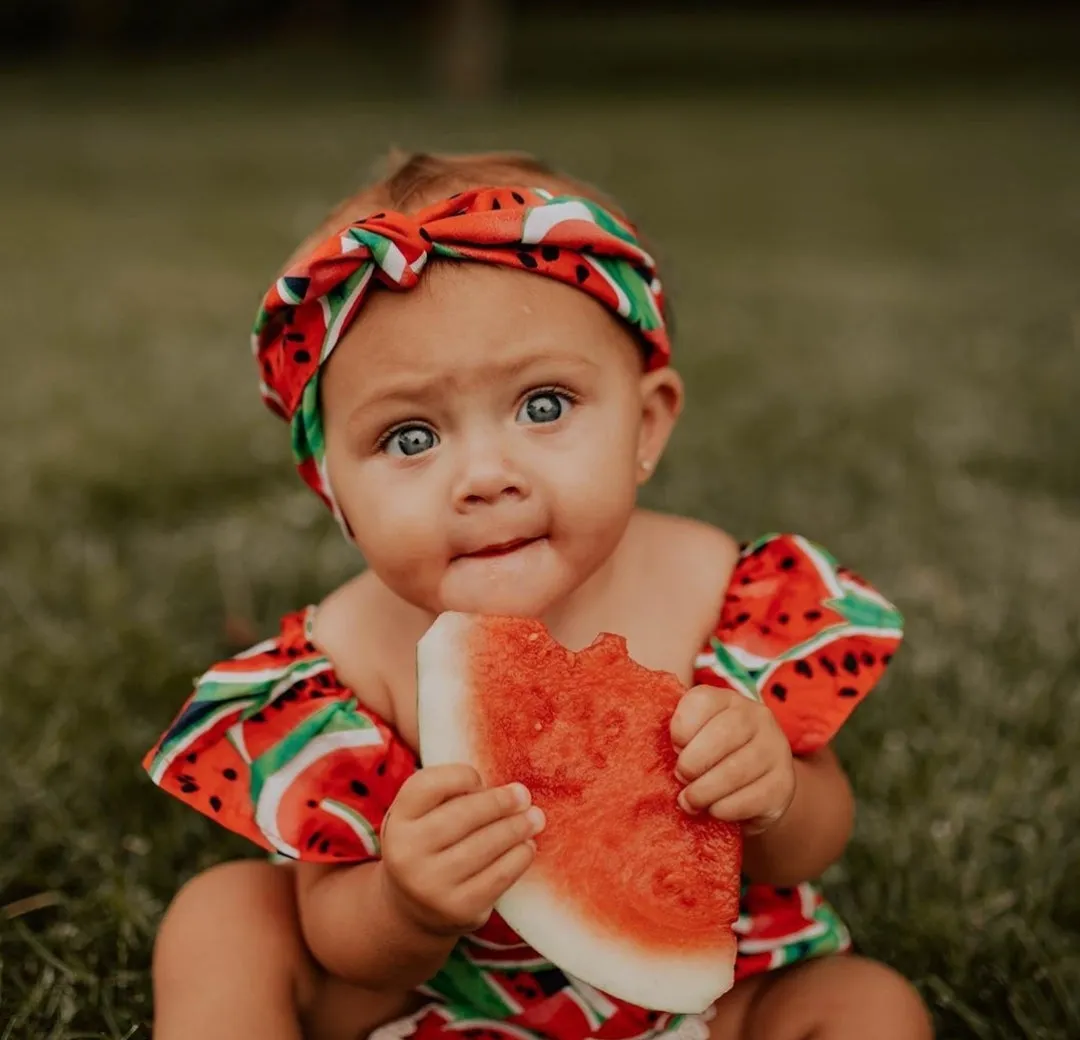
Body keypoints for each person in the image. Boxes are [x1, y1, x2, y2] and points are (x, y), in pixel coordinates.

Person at [144, 150, 933, 1040]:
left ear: (647, 423)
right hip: (448, 1007)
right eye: (409, 438)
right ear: (333, 489)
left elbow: (817, 838)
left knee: (870, 1007)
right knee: (227, 914)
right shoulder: (347, 652)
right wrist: (405, 901)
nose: (486, 476)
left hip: (716, 1001)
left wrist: (777, 791)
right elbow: (340, 938)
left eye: (545, 406)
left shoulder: (717, 584)